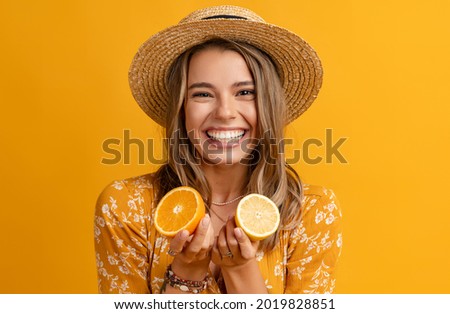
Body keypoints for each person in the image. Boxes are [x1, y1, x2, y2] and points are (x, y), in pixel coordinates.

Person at [94, 5, 342, 294]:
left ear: (269, 106)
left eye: (245, 92)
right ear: (181, 109)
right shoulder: (126, 206)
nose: (225, 112)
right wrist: (185, 273)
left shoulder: (311, 211)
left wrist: (239, 269)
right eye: (202, 94)